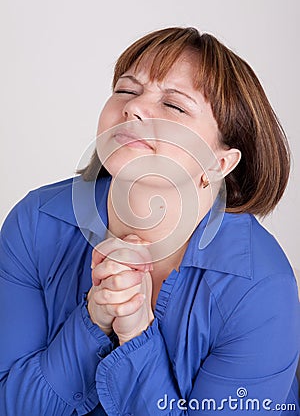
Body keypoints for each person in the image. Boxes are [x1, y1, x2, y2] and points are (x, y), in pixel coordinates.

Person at [0, 27, 299, 416]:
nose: (134, 109)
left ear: (220, 163)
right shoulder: (36, 223)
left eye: (174, 106)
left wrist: (136, 333)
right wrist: (93, 319)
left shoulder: (259, 286)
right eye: (126, 90)